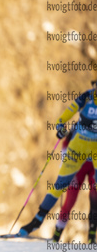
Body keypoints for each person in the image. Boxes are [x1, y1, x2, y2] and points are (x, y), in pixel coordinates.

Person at [19, 80, 97, 242]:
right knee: (60, 186)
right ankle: (37, 221)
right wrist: (61, 127)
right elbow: (65, 116)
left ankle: (91, 236)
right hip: (78, 148)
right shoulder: (86, 97)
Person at [51, 130, 97, 243]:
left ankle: (91, 236)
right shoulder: (80, 124)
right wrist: (64, 164)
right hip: (77, 167)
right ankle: (56, 235)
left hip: (94, 167)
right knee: (70, 201)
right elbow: (67, 142)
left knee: (95, 200)